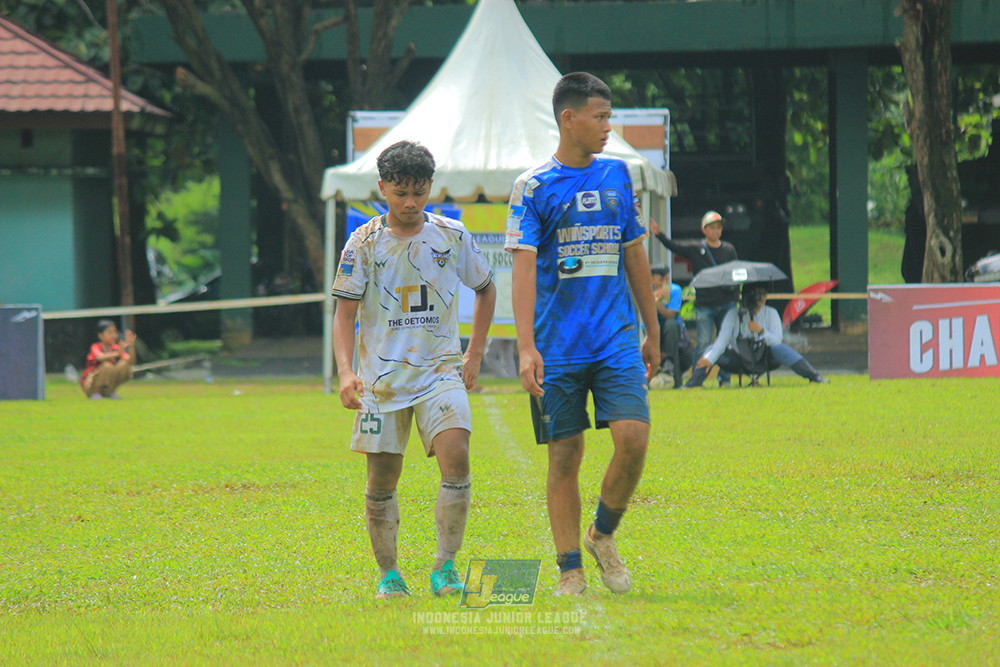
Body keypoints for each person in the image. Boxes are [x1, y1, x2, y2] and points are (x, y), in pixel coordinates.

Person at [505, 72, 660, 596]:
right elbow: (522, 269)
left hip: (615, 339)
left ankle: (602, 534)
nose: (606, 127)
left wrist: (652, 329)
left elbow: (635, 253)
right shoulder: (532, 187)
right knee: (564, 457)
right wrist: (526, 347)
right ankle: (570, 566)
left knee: (633, 440)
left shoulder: (619, 175)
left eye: (609, 117)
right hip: (558, 348)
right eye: (599, 117)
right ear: (568, 119)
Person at [332, 141, 497, 601]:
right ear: (382, 187)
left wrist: (475, 354)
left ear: (430, 188)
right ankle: (389, 574)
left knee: (457, 456)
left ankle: (445, 566)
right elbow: (344, 314)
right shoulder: (363, 242)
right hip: (381, 384)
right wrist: (346, 373)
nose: (410, 203)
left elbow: (486, 288)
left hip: (440, 372)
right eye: (400, 192)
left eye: (419, 192)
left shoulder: (451, 235)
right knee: (382, 479)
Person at [649, 211, 738, 386]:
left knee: (726, 341)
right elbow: (675, 246)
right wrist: (659, 234)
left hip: (727, 303)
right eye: (711, 228)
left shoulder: (729, 249)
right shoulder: (697, 248)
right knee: (703, 342)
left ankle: (725, 379)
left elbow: (736, 272)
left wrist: (735, 293)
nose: (715, 231)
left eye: (718, 228)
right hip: (705, 304)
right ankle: (696, 379)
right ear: (704, 230)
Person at [686, 283, 829, 387]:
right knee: (711, 350)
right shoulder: (733, 314)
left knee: (781, 349)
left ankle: (813, 375)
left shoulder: (771, 313)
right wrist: (710, 359)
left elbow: (777, 340)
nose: (761, 298)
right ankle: (694, 383)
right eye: (757, 294)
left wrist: (761, 331)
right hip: (739, 360)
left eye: (763, 294)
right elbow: (722, 341)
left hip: (764, 359)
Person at [650, 265, 692, 388]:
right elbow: (646, 316)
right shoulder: (647, 291)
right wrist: (651, 299)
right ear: (652, 279)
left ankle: (675, 376)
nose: (664, 283)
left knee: (671, 325)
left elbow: (671, 315)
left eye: (667, 280)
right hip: (653, 330)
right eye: (660, 280)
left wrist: (658, 303)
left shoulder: (675, 290)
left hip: (673, 332)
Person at [80, 320, 137, 399]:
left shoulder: (115, 348)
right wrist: (117, 353)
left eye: (115, 332)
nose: (114, 335)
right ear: (100, 336)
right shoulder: (96, 347)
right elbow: (99, 357)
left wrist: (131, 346)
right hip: (90, 383)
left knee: (124, 364)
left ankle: (110, 392)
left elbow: (131, 361)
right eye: (110, 333)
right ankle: (95, 393)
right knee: (107, 366)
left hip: (108, 383)